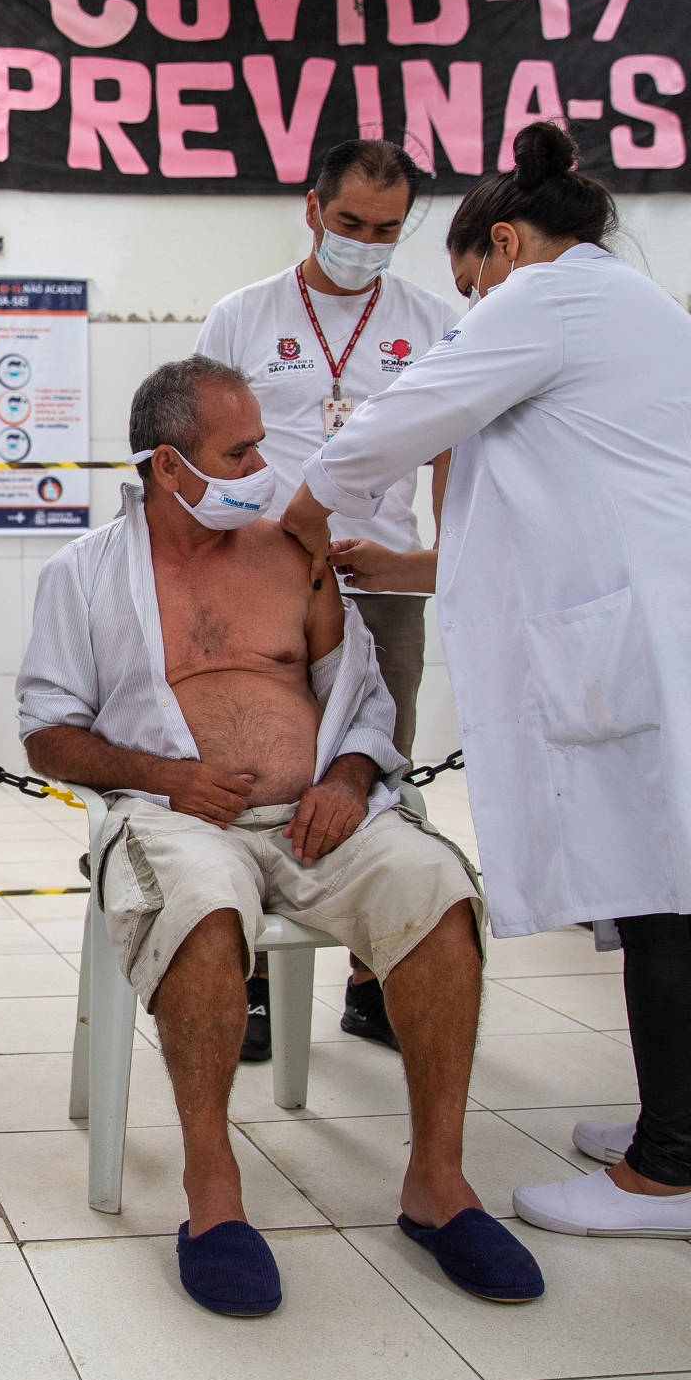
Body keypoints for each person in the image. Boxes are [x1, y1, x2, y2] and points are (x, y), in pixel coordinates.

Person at [281, 122, 691, 1238]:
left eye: (469, 285)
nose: (470, 310)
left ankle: (665, 1170)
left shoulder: (544, 299)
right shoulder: (632, 309)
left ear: (504, 244)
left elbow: (410, 415)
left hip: (681, 616)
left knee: (662, 881)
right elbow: (556, 496)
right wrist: (404, 560)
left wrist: (299, 519)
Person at [16, 355, 540, 1317]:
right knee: (208, 912)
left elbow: (366, 700)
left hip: (320, 819)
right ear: (170, 467)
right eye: (242, 449)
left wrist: (348, 776)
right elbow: (47, 730)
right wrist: (165, 774)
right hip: (179, 817)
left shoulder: (293, 555)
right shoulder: (83, 575)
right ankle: (213, 1194)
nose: (265, 464)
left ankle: (438, 1183)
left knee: (439, 893)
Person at [195, 137, 456, 1059]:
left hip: (376, 578)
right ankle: (252, 979)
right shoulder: (245, 315)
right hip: (262, 573)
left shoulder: (433, 321)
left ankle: (373, 976)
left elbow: (451, 458)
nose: (364, 241)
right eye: (348, 222)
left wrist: (423, 556)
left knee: (377, 760)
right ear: (312, 208)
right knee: (261, 762)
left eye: (386, 229)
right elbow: (202, 445)